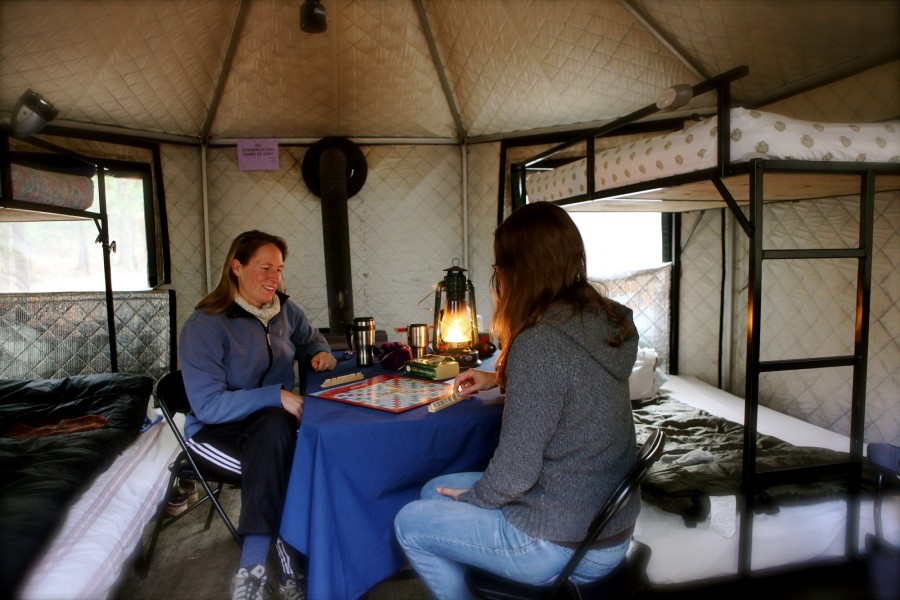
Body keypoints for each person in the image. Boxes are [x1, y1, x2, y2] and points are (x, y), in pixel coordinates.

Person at [394, 202, 639, 599]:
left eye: (498, 268)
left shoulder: (540, 343)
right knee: (433, 492)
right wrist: (499, 377)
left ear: (516, 272)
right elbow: (571, 388)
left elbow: (515, 472)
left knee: (410, 521)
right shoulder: (602, 322)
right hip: (604, 526)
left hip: (561, 544)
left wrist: (475, 499)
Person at [179, 230, 337, 600]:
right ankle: (281, 562)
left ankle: (258, 569)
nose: (274, 278)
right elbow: (209, 406)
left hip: (271, 429)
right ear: (237, 267)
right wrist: (276, 395)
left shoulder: (285, 311)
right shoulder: (205, 325)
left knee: (280, 434)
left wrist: (320, 352)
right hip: (217, 434)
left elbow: (312, 338)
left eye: (279, 269)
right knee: (282, 452)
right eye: (265, 267)